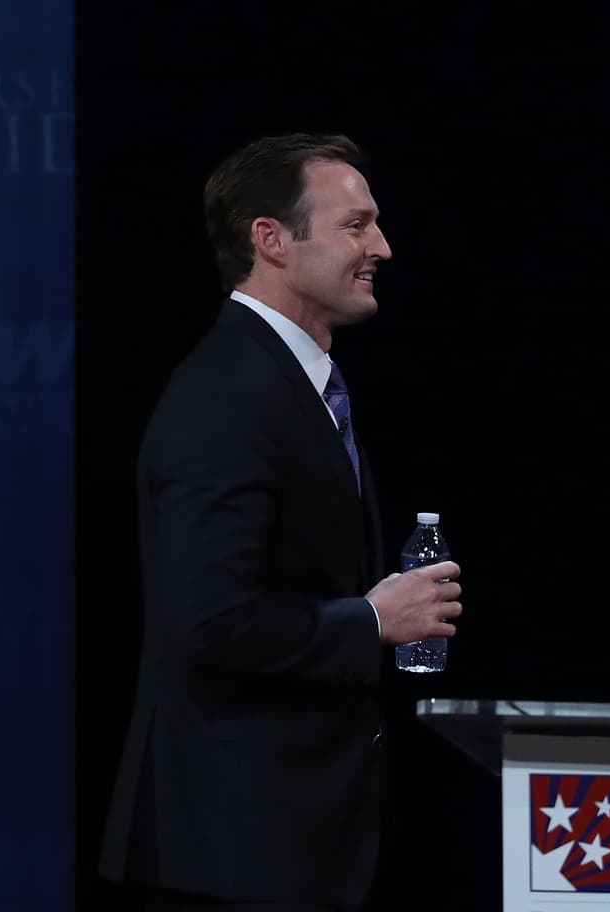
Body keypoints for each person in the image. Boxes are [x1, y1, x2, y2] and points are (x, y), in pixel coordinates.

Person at [99, 133, 462, 911]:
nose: (383, 248)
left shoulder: (288, 381)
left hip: (287, 840)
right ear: (271, 239)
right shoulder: (230, 394)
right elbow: (211, 622)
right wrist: (371, 620)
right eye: (356, 226)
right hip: (234, 845)